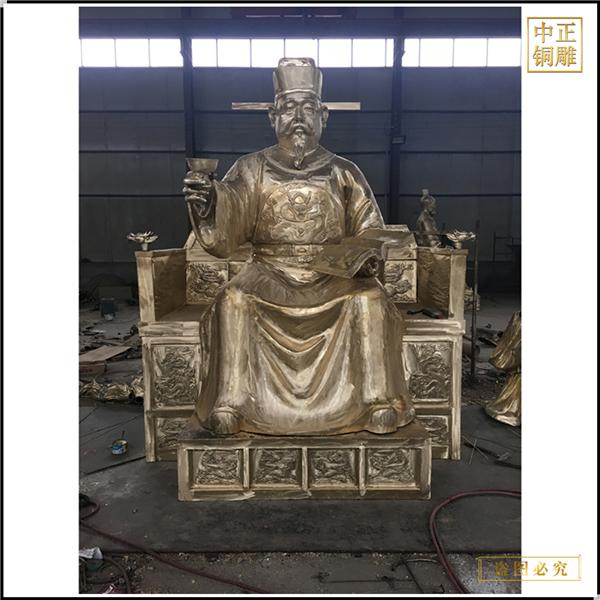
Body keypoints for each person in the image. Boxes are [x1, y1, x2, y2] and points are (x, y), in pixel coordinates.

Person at [183, 57, 415, 436]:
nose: (298, 118)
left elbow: (369, 227)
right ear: (272, 116)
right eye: (288, 108)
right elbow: (230, 217)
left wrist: (365, 256)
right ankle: (232, 402)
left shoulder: (344, 171)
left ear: (324, 116)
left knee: (370, 300)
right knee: (233, 300)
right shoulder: (251, 168)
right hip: (268, 271)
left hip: (332, 275)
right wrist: (208, 199)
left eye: (308, 108)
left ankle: (377, 399)